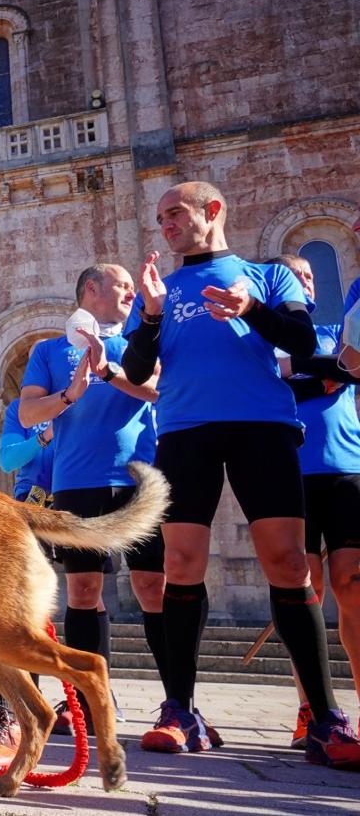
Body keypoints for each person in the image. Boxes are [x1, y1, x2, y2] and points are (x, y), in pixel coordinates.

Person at [122, 181, 360, 769]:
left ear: (214, 211)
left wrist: (250, 309)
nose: (167, 225)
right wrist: (151, 317)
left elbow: (304, 343)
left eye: (176, 213)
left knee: (287, 562)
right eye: (160, 218)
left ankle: (326, 719)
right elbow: (134, 367)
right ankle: (179, 710)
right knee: (180, 563)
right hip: (184, 432)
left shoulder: (267, 276)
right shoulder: (161, 288)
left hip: (263, 427)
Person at [19, 264, 167, 738]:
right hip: (77, 481)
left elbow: (157, 391)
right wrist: (70, 393)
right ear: (90, 290)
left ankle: (177, 702)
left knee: (153, 587)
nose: (130, 293)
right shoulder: (49, 350)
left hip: (137, 479)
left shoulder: (140, 343)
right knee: (83, 592)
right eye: (122, 286)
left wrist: (109, 370)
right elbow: (27, 412)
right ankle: (88, 701)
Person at [270, 254, 360, 746]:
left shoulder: (332, 329)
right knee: (306, 589)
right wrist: (321, 375)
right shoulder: (260, 340)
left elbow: (348, 368)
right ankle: (312, 708)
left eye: (309, 275)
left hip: (348, 468)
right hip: (290, 471)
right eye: (295, 276)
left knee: (354, 586)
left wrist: (306, 373)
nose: (306, 282)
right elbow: (291, 373)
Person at [0, 399, 53, 508]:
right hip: (34, 497)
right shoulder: (20, 406)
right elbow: (7, 462)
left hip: (78, 489)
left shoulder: (81, 397)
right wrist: (46, 435)